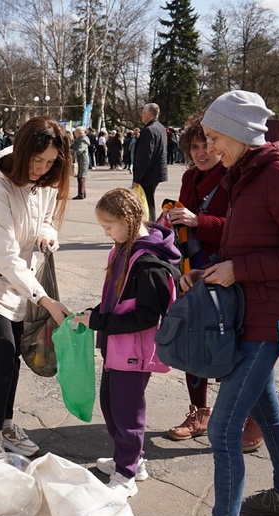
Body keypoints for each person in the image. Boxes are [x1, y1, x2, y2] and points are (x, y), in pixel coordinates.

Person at [159, 90, 279, 516]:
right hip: (250, 310)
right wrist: (208, 273)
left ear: (239, 133)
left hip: (267, 318)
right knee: (266, 409)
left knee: (224, 430)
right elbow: (246, 238)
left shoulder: (277, 174)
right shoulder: (248, 171)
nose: (210, 148)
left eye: (215, 138)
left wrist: (237, 270)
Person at [0, 116, 72, 461]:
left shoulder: (45, 181)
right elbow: (5, 256)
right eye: (36, 160)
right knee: (3, 351)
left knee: (13, 355)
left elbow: (47, 219)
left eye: (50, 163)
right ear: (23, 150)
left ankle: (8, 424)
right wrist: (46, 300)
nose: (41, 169)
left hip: (23, 279)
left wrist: (47, 235)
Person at [163, 114, 264, 453]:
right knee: (194, 339)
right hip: (193, 270)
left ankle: (252, 416)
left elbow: (242, 230)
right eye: (194, 147)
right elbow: (185, 225)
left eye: (207, 144)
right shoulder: (190, 176)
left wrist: (198, 220)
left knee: (232, 346)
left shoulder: (233, 175)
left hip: (228, 272)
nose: (201, 152)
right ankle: (199, 412)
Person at [72, 188, 180, 497]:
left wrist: (98, 322)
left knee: (127, 412)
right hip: (117, 346)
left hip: (134, 352)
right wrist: (94, 314)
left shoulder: (148, 263)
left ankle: (126, 474)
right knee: (111, 405)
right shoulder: (124, 249)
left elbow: (146, 317)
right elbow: (117, 299)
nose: (106, 233)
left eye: (108, 226)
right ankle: (132, 460)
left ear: (128, 220)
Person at [132, 103, 168, 221]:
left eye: (143, 113)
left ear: (150, 114)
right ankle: (150, 224)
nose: (141, 115)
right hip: (157, 170)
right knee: (148, 200)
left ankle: (150, 225)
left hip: (148, 173)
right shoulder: (160, 127)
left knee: (147, 202)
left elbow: (145, 156)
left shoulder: (149, 130)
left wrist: (137, 178)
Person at [71, 126, 90, 200]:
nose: (74, 133)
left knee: (81, 177)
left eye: (75, 132)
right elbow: (72, 146)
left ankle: (81, 194)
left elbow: (79, 151)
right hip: (80, 160)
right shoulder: (78, 140)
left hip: (83, 160)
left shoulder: (83, 140)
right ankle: (83, 193)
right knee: (80, 177)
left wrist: (71, 152)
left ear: (79, 133)